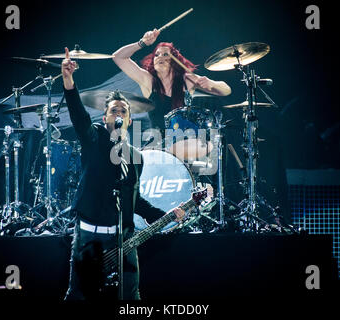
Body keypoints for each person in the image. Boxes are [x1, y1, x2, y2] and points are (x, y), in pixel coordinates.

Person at [61, 47, 185, 300]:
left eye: (123, 112)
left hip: (124, 239)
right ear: (105, 117)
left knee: (130, 296)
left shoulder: (135, 156)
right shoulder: (94, 138)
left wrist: (167, 215)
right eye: (113, 111)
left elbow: (135, 199)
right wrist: (69, 83)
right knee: (79, 295)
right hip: (89, 235)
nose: (118, 114)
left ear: (129, 120)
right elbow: (79, 117)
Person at [112, 29, 232, 131]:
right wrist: (142, 43)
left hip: (185, 141)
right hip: (158, 144)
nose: (160, 57)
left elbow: (226, 90)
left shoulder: (187, 80)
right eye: (157, 55)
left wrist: (211, 83)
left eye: (165, 55)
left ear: (174, 61)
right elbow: (117, 57)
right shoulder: (148, 80)